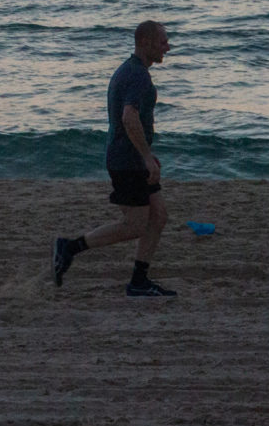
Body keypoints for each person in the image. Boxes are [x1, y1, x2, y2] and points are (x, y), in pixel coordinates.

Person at [51, 21, 178, 297]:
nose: (168, 46)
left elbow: (131, 122)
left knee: (158, 216)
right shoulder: (137, 75)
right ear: (145, 42)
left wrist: (147, 153)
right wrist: (144, 156)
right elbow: (128, 117)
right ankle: (69, 247)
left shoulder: (132, 70)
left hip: (131, 157)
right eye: (162, 42)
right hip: (127, 161)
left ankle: (139, 282)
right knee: (135, 225)